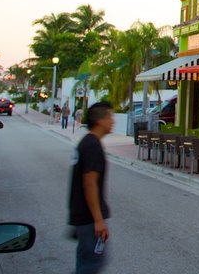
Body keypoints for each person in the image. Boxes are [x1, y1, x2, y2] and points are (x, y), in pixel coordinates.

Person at [69, 102, 113, 274]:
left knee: (87, 264)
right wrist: (98, 219)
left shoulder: (87, 143)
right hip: (89, 220)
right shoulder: (92, 146)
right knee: (90, 266)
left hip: (83, 218)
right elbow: (89, 183)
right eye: (110, 117)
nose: (113, 121)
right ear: (100, 120)